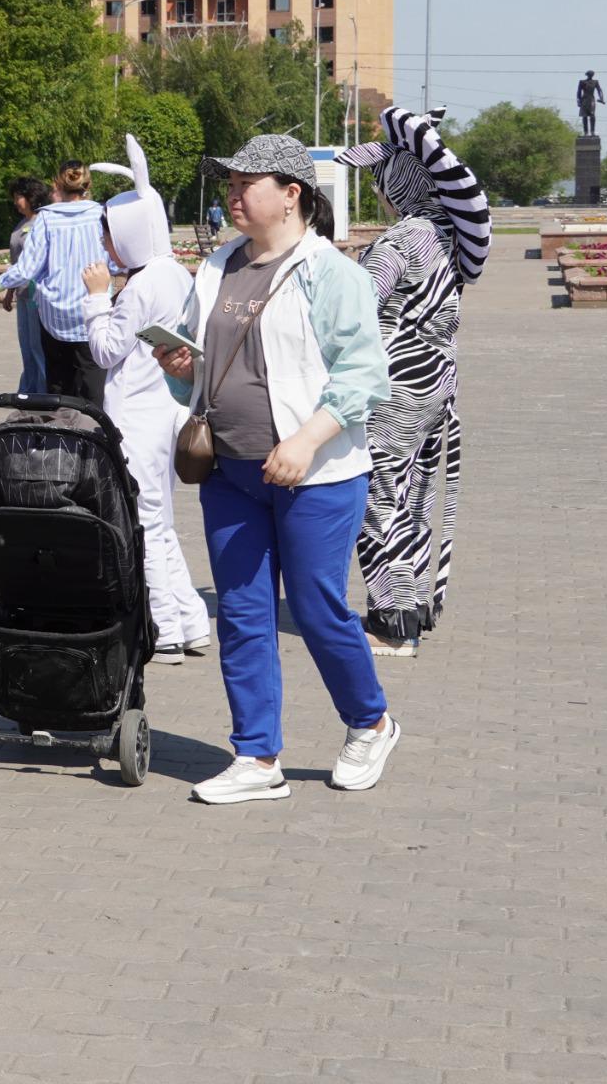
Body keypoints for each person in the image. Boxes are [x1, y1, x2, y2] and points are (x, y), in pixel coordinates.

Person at [155, 134, 398, 805]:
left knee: (318, 610)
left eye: (246, 184)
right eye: (229, 184)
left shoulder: (331, 273)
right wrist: (182, 372)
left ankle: (371, 721)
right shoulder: (217, 269)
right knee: (241, 613)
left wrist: (307, 440)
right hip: (231, 472)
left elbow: (363, 375)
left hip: (315, 475)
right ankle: (257, 757)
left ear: (292, 194)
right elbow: (201, 373)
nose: (233, 195)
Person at [335, 106, 491, 657]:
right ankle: (414, 603)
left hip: (393, 387)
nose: (377, 190)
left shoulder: (403, 240)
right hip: (434, 387)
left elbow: (355, 308)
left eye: (380, 178)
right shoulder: (447, 237)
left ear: (400, 181)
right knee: (416, 496)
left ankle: (390, 618)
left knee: (380, 497)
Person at [77, 136, 207, 661]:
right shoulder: (176, 273)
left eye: (109, 235)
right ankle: (191, 620)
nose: (107, 247)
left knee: (142, 522)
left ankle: (163, 630)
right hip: (167, 412)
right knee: (160, 519)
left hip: (136, 416)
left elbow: (106, 351)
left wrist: (96, 297)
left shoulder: (140, 286)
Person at [0, 162, 108, 404]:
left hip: (54, 316)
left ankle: (62, 436)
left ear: (57, 184)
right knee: (93, 385)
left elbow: (27, 267)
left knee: (59, 387)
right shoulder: (101, 214)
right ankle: (97, 435)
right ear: (87, 185)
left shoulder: (47, 218)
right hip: (91, 314)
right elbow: (116, 258)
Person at [3, 177, 51, 395]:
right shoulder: (22, 223)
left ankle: (41, 391)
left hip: (36, 295)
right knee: (27, 347)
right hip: (22, 295)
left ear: (30, 196)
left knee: (37, 347)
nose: (16, 202)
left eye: (18, 197)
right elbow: (16, 263)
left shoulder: (42, 222)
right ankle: (29, 389)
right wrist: (9, 292)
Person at [578, 70, 605, 136]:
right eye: (590, 74)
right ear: (587, 75)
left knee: (592, 115)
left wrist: (601, 98)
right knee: (584, 116)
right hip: (584, 100)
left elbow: (599, 90)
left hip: (591, 100)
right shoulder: (582, 82)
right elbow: (578, 92)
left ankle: (592, 131)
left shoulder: (595, 82)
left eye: (592, 74)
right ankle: (586, 132)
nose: (591, 75)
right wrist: (579, 101)